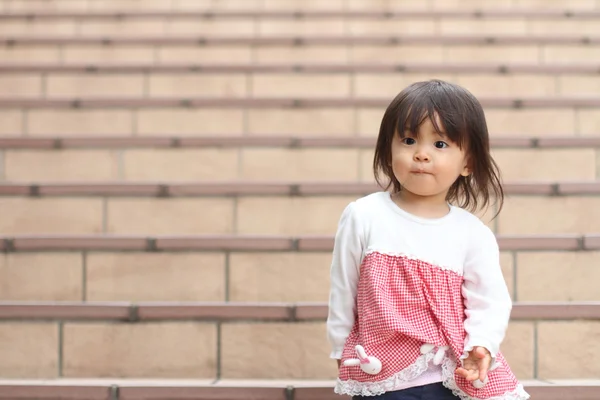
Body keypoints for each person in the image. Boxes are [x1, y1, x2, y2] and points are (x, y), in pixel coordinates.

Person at [326, 80, 530, 400]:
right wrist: (342, 347)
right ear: (387, 150)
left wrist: (482, 343)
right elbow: (344, 287)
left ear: (468, 163)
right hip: (384, 373)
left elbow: (488, 300)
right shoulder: (364, 215)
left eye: (440, 145)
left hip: (453, 373)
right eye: (408, 140)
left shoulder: (472, 232)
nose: (421, 154)